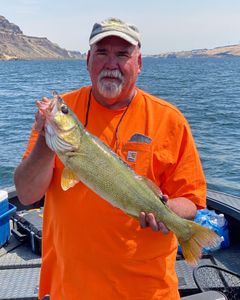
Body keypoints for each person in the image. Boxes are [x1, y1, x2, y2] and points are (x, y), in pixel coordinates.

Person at [14, 17, 206, 300]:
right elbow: (27, 194)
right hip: (71, 288)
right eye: (102, 53)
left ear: (139, 64)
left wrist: (167, 212)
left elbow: (191, 200)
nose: (111, 64)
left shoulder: (170, 120)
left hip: (148, 290)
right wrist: (45, 139)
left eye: (122, 54)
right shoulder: (57, 122)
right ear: (88, 60)